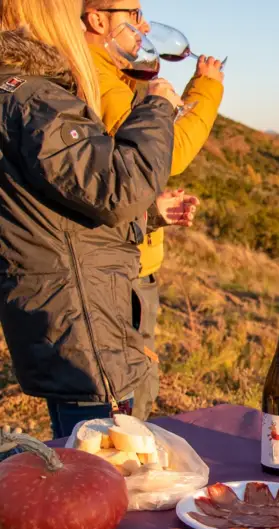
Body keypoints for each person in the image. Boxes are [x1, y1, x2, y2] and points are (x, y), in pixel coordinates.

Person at [0, 0, 183, 438]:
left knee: (82, 465)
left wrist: (149, 215)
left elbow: (52, 204)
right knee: (106, 473)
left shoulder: (18, 93)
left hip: (63, 315)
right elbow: (117, 189)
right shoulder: (35, 99)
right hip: (81, 326)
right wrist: (157, 108)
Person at [82, 0, 225, 420]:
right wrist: (207, 88)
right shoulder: (100, 83)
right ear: (97, 19)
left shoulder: (112, 76)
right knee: (124, 408)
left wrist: (150, 212)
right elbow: (170, 152)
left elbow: (114, 171)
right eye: (132, 13)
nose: (144, 25)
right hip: (118, 272)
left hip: (124, 255)